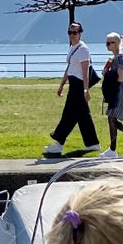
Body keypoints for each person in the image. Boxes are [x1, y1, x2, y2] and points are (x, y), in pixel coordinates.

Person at [43, 21, 100, 157]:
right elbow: (69, 68)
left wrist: (86, 89)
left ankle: (59, 143)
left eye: (75, 32)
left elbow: (85, 71)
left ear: (80, 33)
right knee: (82, 116)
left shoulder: (83, 49)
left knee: (68, 114)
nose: (72, 35)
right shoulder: (73, 48)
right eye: (70, 32)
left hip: (79, 85)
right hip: (73, 83)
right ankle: (93, 143)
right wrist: (62, 85)